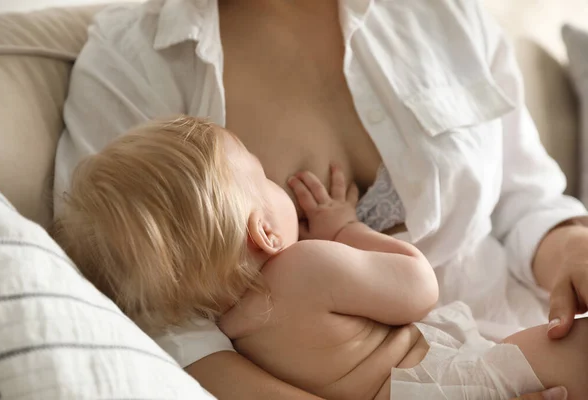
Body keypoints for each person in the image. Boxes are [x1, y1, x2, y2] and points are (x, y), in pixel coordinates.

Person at [53, 0, 588, 398]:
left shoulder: (442, 10)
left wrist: (570, 245)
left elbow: (528, 197)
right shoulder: (134, 61)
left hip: (511, 318)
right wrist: (345, 231)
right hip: (459, 368)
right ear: (263, 231)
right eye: (268, 179)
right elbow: (149, 317)